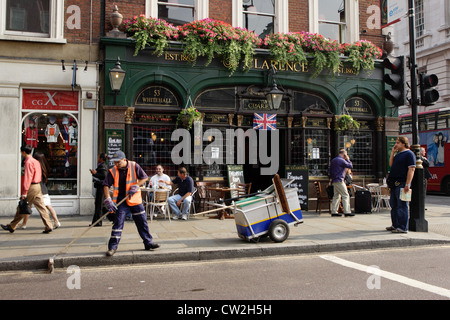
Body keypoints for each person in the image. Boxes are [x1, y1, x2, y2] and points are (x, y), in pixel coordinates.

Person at [102, 150, 159, 256]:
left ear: (124, 159)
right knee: (118, 224)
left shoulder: (134, 166)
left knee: (142, 222)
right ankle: (112, 248)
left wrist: (137, 185)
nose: (116, 164)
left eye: (118, 162)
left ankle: (148, 243)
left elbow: (145, 178)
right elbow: (106, 185)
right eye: (115, 162)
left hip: (135, 199)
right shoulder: (112, 171)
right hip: (120, 201)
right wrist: (108, 199)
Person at [1, 145, 53, 233]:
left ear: (24, 152)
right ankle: (49, 225)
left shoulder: (28, 162)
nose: (21, 154)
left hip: (31, 187)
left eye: (21, 152)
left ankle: (12, 226)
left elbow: (28, 177)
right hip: (38, 186)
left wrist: (24, 191)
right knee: (41, 207)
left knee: (22, 207)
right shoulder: (36, 161)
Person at [386, 136, 416, 233]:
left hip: (402, 183)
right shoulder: (398, 155)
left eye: (398, 142)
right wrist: (393, 153)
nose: (396, 144)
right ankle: (395, 225)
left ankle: (403, 227)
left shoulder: (409, 154)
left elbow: (411, 169)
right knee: (394, 205)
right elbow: (391, 164)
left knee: (402, 205)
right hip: (394, 184)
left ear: (404, 144)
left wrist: (407, 184)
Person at [328, 148, 354, 217]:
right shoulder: (341, 160)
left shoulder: (333, 160)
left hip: (334, 180)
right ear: (344, 154)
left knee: (336, 196)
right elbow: (350, 166)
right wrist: (348, 159)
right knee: (345, 195)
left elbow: (329, 170)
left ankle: (334, 211)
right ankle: (347, 211)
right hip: (340, 180)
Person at [90, 153, 108, 227]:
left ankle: (97, 222)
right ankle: (114, 217)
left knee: (99, 205)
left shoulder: (102, 166)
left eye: (98, 157)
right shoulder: (100, 166)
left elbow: (104, 176)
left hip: (101, 188)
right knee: (101, 205)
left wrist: (95, 173)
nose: (97, 158)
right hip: (99, 187)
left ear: (101, 158)